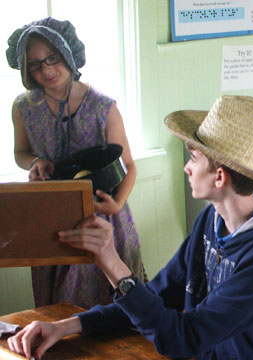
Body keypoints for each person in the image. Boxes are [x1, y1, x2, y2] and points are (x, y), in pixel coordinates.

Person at [7, 95, 253, 360]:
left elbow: (184, 339)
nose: (187, 167)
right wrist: (68, 326)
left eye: (194, 158)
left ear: (219, 177)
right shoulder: (210, 221)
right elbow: (159, 296)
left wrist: (112, 263)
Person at [6, 17, 147, 308]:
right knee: (59, 308)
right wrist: (36, 161)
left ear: (68, 53)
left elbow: (129, 165)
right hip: (53, 218)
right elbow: (20, 152)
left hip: (103, 218)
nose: (46, 70)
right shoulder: (24, 108)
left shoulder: (102, 107)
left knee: (114, 307)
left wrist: (117, 204)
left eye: (52, 58)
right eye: (34, 64)